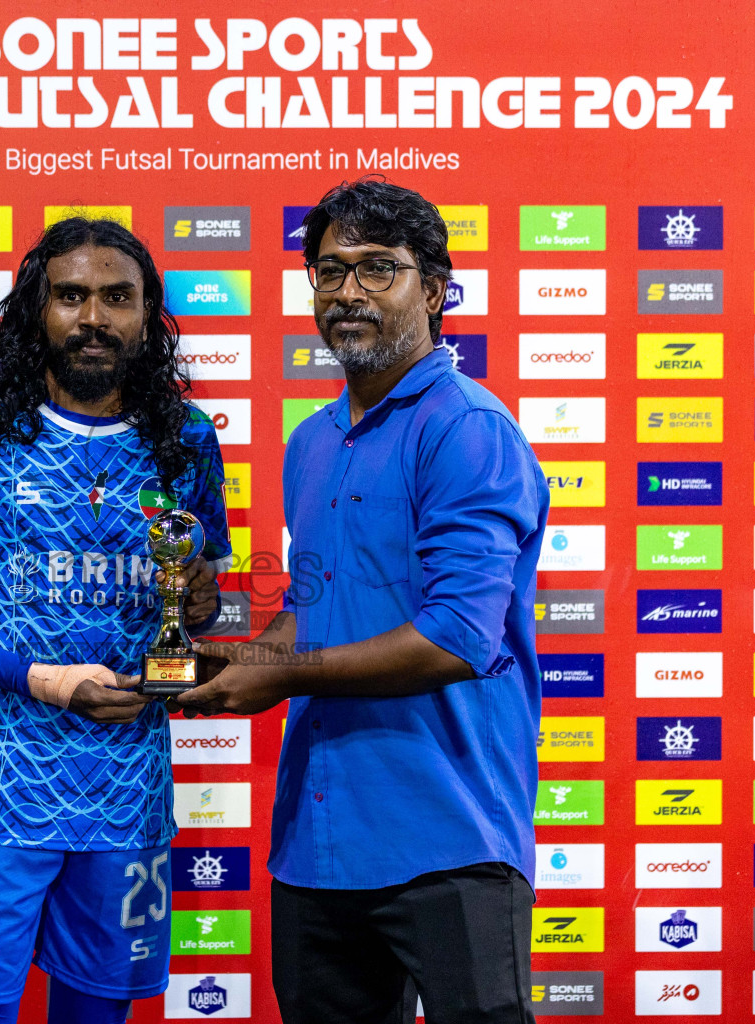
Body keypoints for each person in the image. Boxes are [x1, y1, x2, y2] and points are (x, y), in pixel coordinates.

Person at [175, 178, 550, 1024]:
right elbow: (320, 606)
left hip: (449, 834)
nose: (348, 292)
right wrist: (231, 663)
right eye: (329, 270)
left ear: (437, 287)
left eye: (379, 269)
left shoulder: (467, 430)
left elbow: (456, 639)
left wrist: (280, 677)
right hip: (318, 841)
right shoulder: (311, 441)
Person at [0, 216, 232, 1024]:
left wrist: (201, 602)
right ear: (37, 309)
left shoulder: (185, 439)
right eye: (71, 296)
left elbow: (196, 591)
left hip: (127, 794)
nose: (94, 317)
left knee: (99, 1013)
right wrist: (43, 680)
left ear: (149, 315)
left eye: (117, 297)